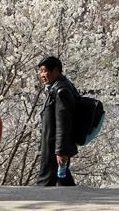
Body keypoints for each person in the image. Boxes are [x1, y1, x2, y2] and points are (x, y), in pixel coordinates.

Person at [36, 55, 80, 186]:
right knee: (63, 180)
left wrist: (61, 151)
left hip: (54, 147)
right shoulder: (57, 87)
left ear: (56, 71)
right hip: (53, 145)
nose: (42, 75)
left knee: (45, 182)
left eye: (45, 71)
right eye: (40, 71)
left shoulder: (61, 91)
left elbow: (63, 124)